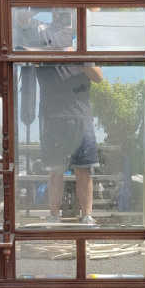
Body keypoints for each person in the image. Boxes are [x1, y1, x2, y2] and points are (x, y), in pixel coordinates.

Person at [36, 60, 103, 225]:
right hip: (53, 118)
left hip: (81, 117)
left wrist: (76, 54)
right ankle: (53, 217)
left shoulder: (81, 47)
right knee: (55, 169)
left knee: (83, 169)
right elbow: (21, 50)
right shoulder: (45, 44)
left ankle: (87, 216)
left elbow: (98, 77)